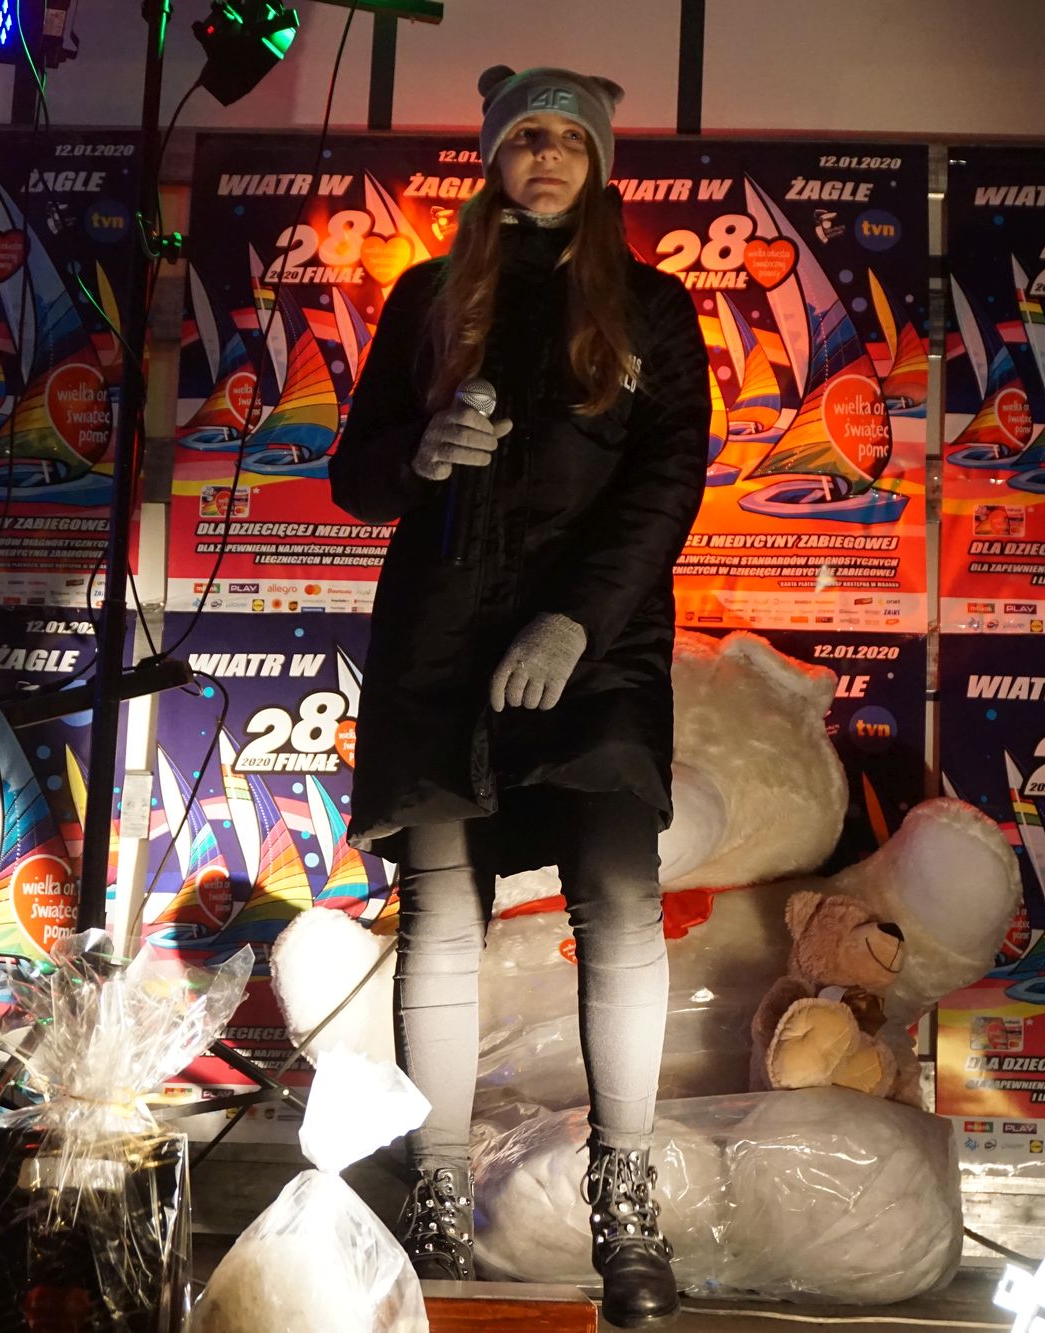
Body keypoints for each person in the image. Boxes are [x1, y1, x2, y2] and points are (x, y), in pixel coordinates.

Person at [328, 64, 707, 1329]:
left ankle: (624, 1208)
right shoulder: (427, 297)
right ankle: (434, 1200)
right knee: (440, 913)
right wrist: (418, 452)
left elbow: (667, 482)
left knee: (619, 896)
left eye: (567, 139)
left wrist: (574, 618)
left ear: (597, 164)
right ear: (492, 155)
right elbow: (354, 478)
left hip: (596, 647)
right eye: (523, 136)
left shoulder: (651, 307)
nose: (544, 155)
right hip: (440, 643)